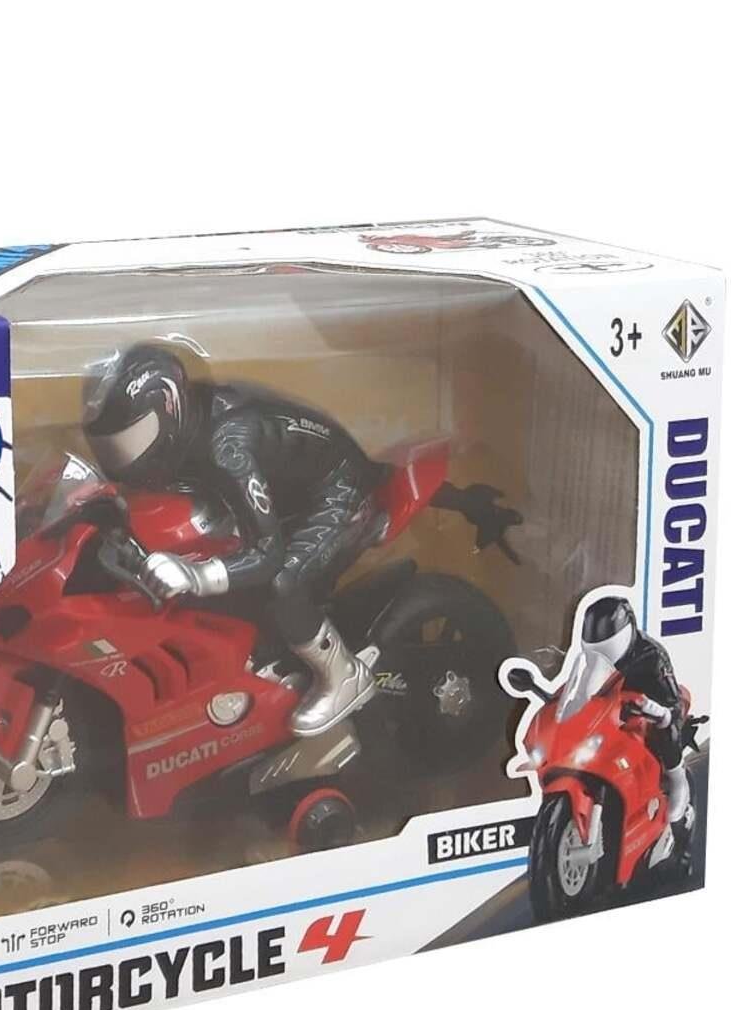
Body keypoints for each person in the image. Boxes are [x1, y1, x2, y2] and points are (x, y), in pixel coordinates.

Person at [82, 345, 521, 736]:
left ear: (168, 411)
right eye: (109, 447)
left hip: (336, 490)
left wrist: (195, 576)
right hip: (287, 491)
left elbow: (266, 555)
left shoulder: (226, 445)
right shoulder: (189, 431)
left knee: (280, 581)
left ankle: (342, 677)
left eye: (130, 441)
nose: (123, 459)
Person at [580, 594, 693, 839]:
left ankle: (678, 779)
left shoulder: (653, 656)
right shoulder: (595, 658)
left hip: (653, 704)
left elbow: (671, 701)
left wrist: (655, 709)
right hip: (615, 707)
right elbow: (584, 685)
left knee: (666, 724)